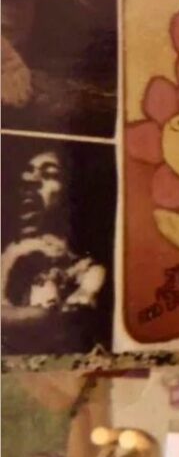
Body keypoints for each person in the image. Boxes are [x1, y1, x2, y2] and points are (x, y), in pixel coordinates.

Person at [0, 144, 107, 354]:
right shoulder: (9, 250)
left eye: (49, 174)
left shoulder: (64, 253)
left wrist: (85, 291)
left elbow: (91, 272)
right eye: (27, 172)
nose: (30, 179)